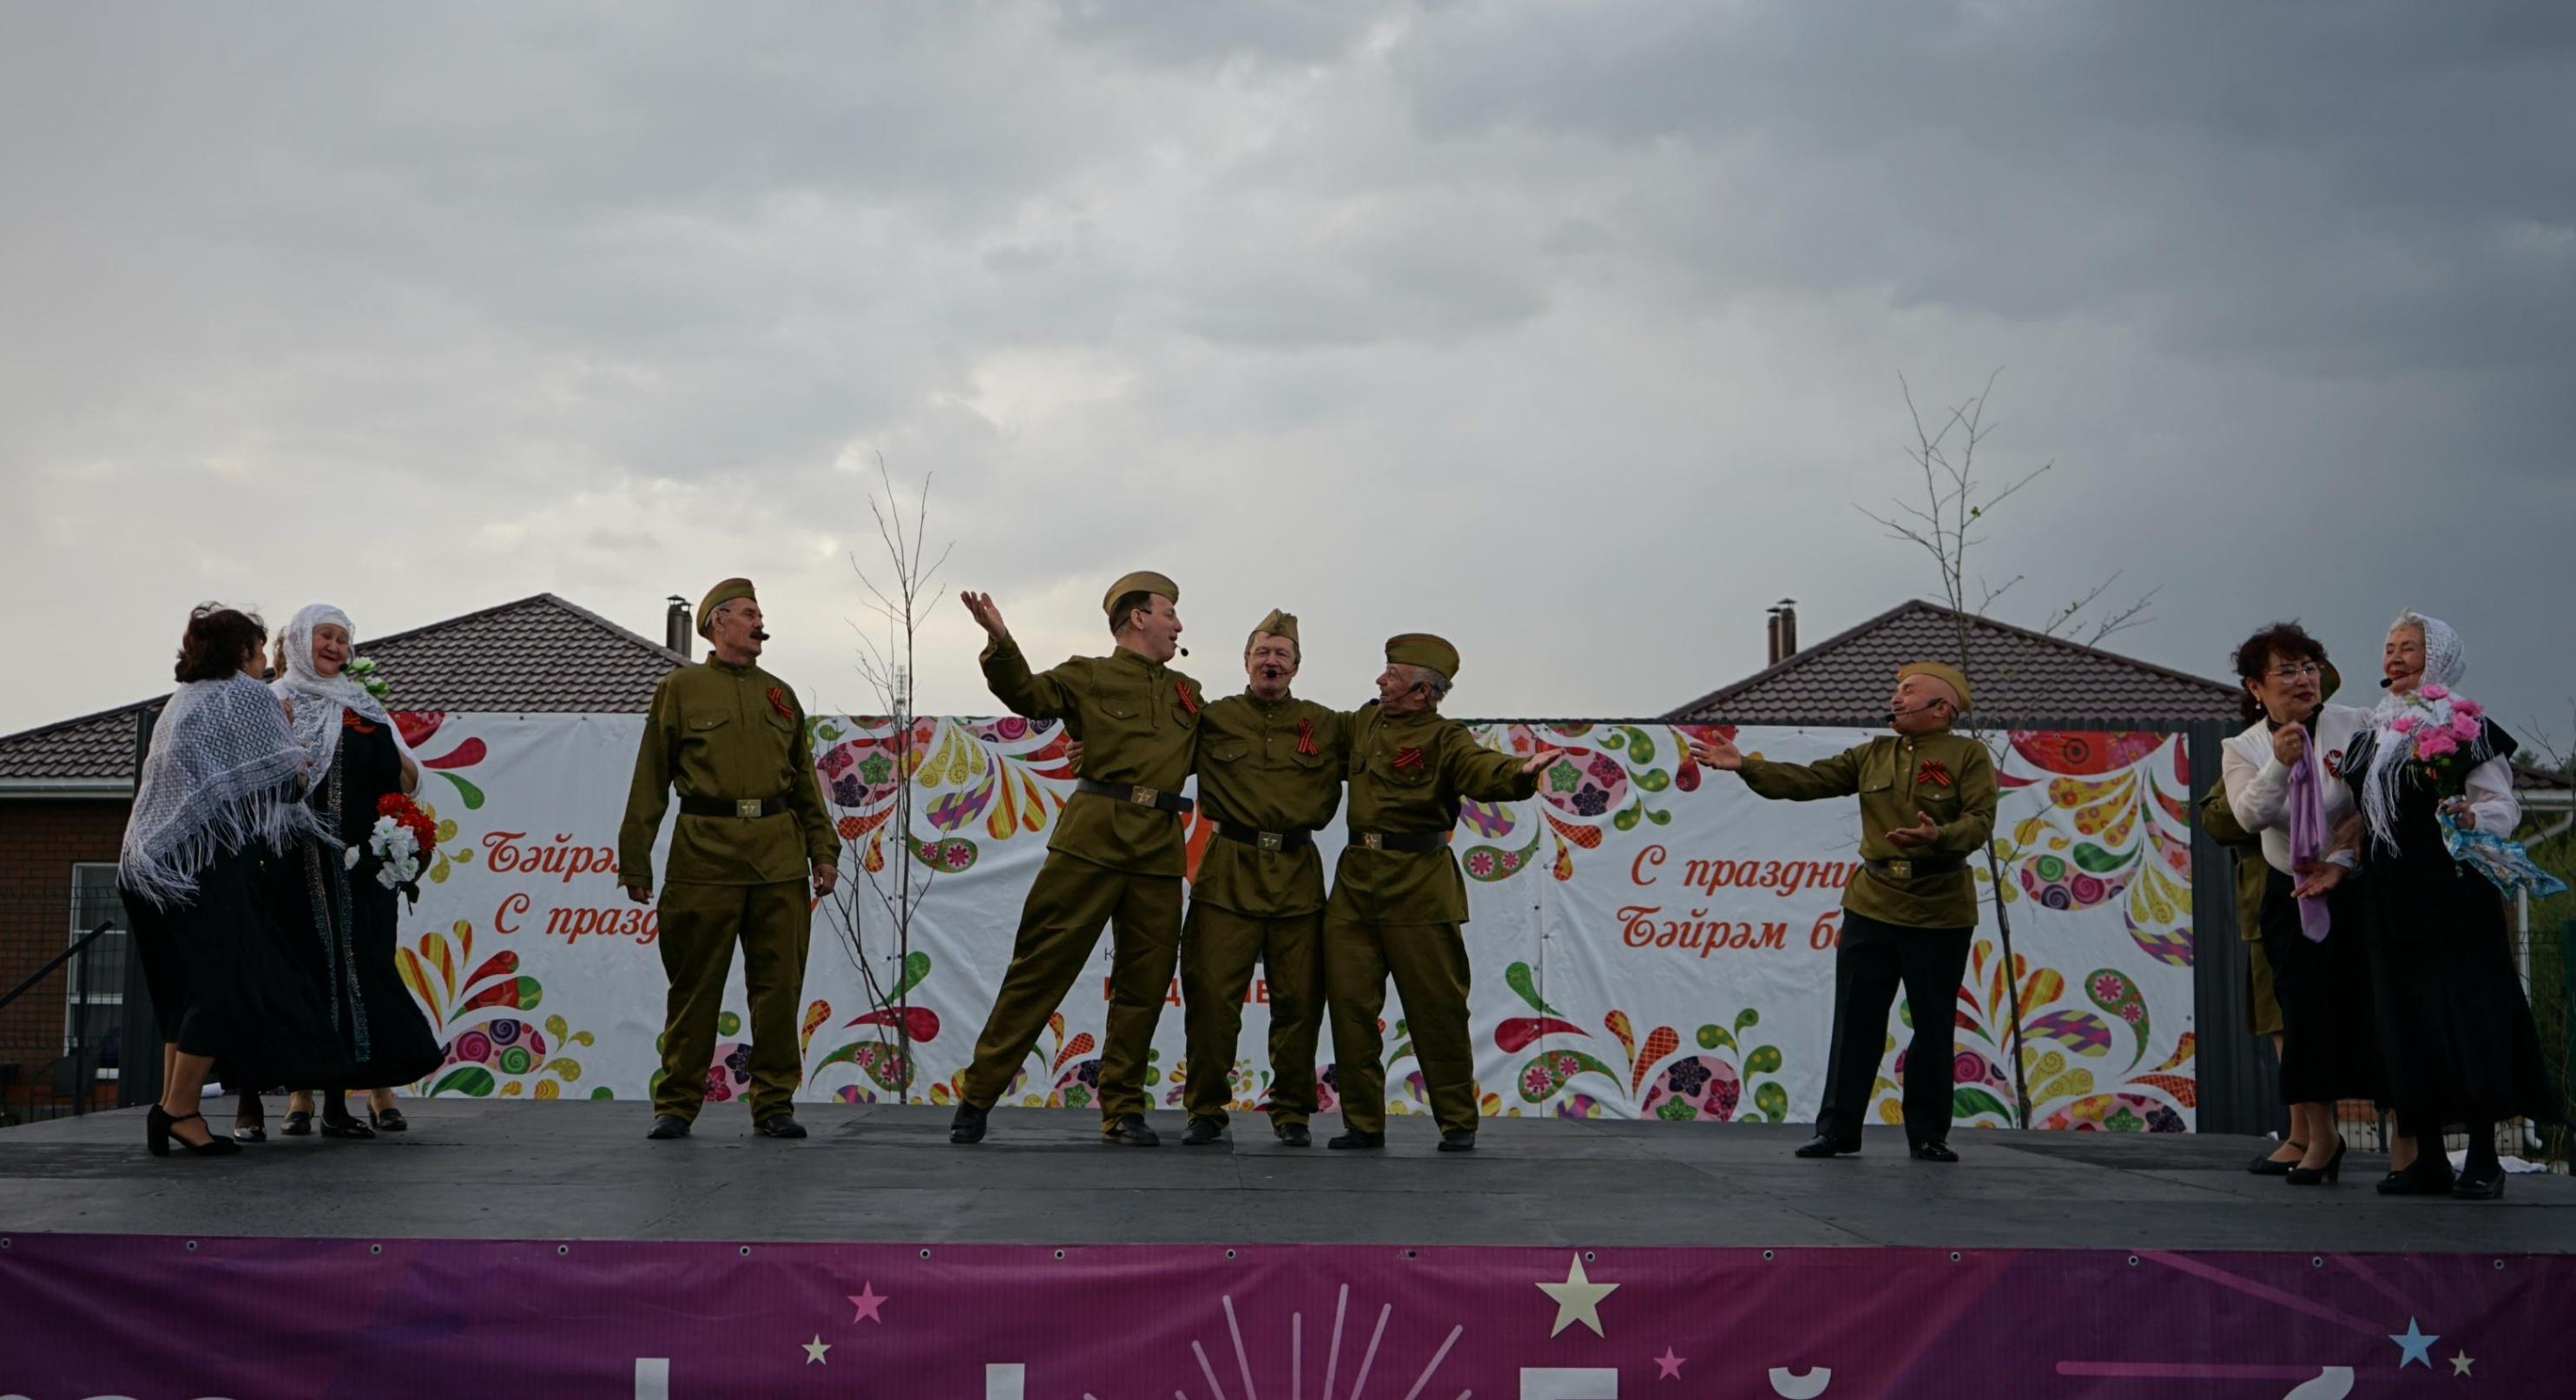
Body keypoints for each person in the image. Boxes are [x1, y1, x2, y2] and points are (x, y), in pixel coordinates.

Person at [1688, 663, 1998, 1162]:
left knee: (1934, 1026)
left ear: (1942, 708)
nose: (1896, 699)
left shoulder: (1968, 755)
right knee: (1856, 1020)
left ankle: (1927, 1135)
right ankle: (1837, 1130)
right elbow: (1810, 780)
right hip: (1871, 903)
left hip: (1940, 908)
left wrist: (1938, 836)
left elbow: (1980, 822)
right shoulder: (1873, 753)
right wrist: (1745, 765)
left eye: (1908, 692)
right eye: (1896, 691)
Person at [949, 572, 1202, 1147]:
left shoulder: (1187, 691)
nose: (1178, 625)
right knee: (1041, 969)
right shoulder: (1087, 674)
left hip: (1159, 848)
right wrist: (1000, 642)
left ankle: (1122, 1111)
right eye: (1170, 613)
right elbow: (1030, 696)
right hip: (1091, 839)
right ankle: (978, 1095)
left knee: (1144, 985)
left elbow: (1211, 752)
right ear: (1138, 617)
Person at [2316, 611, 2553, 1200]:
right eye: (2388, 648)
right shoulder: (2373, 731)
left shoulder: (2463, 724)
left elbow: (2500, 803)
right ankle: (2423, 1157)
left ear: (2439, 659)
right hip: (2389, 898)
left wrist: (2474, 817)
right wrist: (2339, 862)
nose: (2393, 659)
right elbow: (2362, 819)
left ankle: (2481, 1156)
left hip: (2451, 896)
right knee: (2403, 1021)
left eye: (2408, 649)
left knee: (2464, 1019)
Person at [117, 604, 343, 1158]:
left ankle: (171, 1111)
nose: (266, 661)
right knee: (221, 988)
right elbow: (289, 783)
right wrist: (291, 734)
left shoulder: (181, 701)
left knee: (179, 993)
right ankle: (178, 1111)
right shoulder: (246, 695)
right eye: (260, 649)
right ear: (241, 650)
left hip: (147, 865)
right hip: (202, 868)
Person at [619, 579, 840, 1141]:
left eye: (760, 614)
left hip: (778, 858)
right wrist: (636, 861)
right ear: (718, 624)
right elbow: (651, 778)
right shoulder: (681, 688)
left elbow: (803, 786)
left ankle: (773, 1105)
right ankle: (676, 1104)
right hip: (704, 858)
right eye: (748, 614)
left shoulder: (781, 694)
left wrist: (823, 850)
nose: (759, 623)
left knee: (779, 987)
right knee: (694, 990)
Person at [1322, 634, 1552, 1153]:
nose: (1381, 680)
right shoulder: (1362, 724)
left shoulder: (1447, 737)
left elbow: (1480, 768)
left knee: (1438, 1010)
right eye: (1385, 671)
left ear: (1424, 691)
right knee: (1351, 1010)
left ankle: (1456, 1121)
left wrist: (1518, 773)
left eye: (1394, 675)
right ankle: (1362, 1123)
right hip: (1355, 885)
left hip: (1420, 886)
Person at [270, 604, 446, 1139]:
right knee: (306, 969)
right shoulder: (275, 701)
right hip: (297, 863)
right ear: (300, 640)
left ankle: (379, 1090)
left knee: (368, 967)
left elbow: (413, 778)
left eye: (342, 639)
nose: (333, 646)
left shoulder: (364, 704)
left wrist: (401, 782)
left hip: (362, 866)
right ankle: (300, 1094)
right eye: (324, 636)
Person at [1177, 610, 1347, 1148]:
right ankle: (1205, 1109)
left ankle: (1293, 1112)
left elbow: (1387, 760)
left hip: (1298, 877)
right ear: (1245, 662)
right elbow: (1153, 749)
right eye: (1262, 653)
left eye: (1282, 655)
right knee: (1211, 1001)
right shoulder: (1214, 717)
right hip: (1228, 873)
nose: (1271, 662)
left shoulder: (1327, 725)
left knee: (1298, 1004)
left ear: (1296, 667)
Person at [2219, 624, 2379, 1185]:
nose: (2302, 679)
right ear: (2255, 687)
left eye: (2309, 666)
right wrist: (2279, 764)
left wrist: (2346, 850)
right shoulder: (2243, 747)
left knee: (2367, 1011)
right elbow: (2245, 817)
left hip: (2354, 887)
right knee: (2301, 1019)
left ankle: (2404, 1146)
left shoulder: (2355, 723)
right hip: (2291, 894)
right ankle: (2320, 1137)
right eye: (2285, 670)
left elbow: (2374, 799)